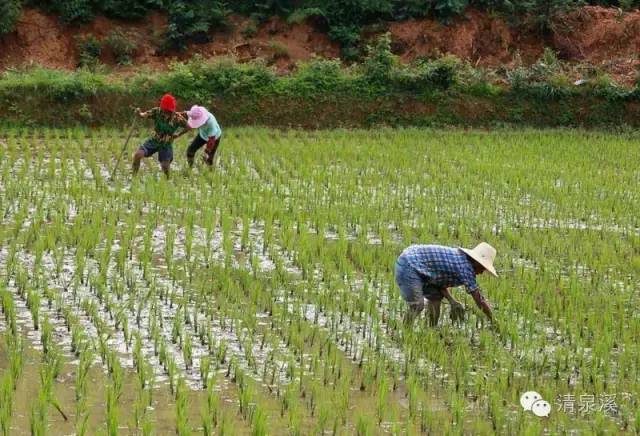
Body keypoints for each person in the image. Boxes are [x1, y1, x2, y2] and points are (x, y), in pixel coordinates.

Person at [395, 242, 497, 326]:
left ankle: (431, 329)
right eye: (483, 267)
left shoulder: (461, 259)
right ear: (476, 262)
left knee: (436, 296)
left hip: (417, 263)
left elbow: (439, 282)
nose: (482, 272)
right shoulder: (466, 268)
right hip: (409, 264)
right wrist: (493, 320)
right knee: (417, 305)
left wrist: (452, 301)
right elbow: (479, 300)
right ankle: (405, 331)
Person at [132, 94, 188, 177]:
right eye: (165, 110)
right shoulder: (156, 111)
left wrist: (178, 134)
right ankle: (134, 177)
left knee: (165, 166)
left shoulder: (177, 117)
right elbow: (143, 115)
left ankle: (168, 181)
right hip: (154, 141)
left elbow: (189, 127)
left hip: (166, 144)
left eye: (168, 111)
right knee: (138, 155)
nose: (166, 113)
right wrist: (138, 113)